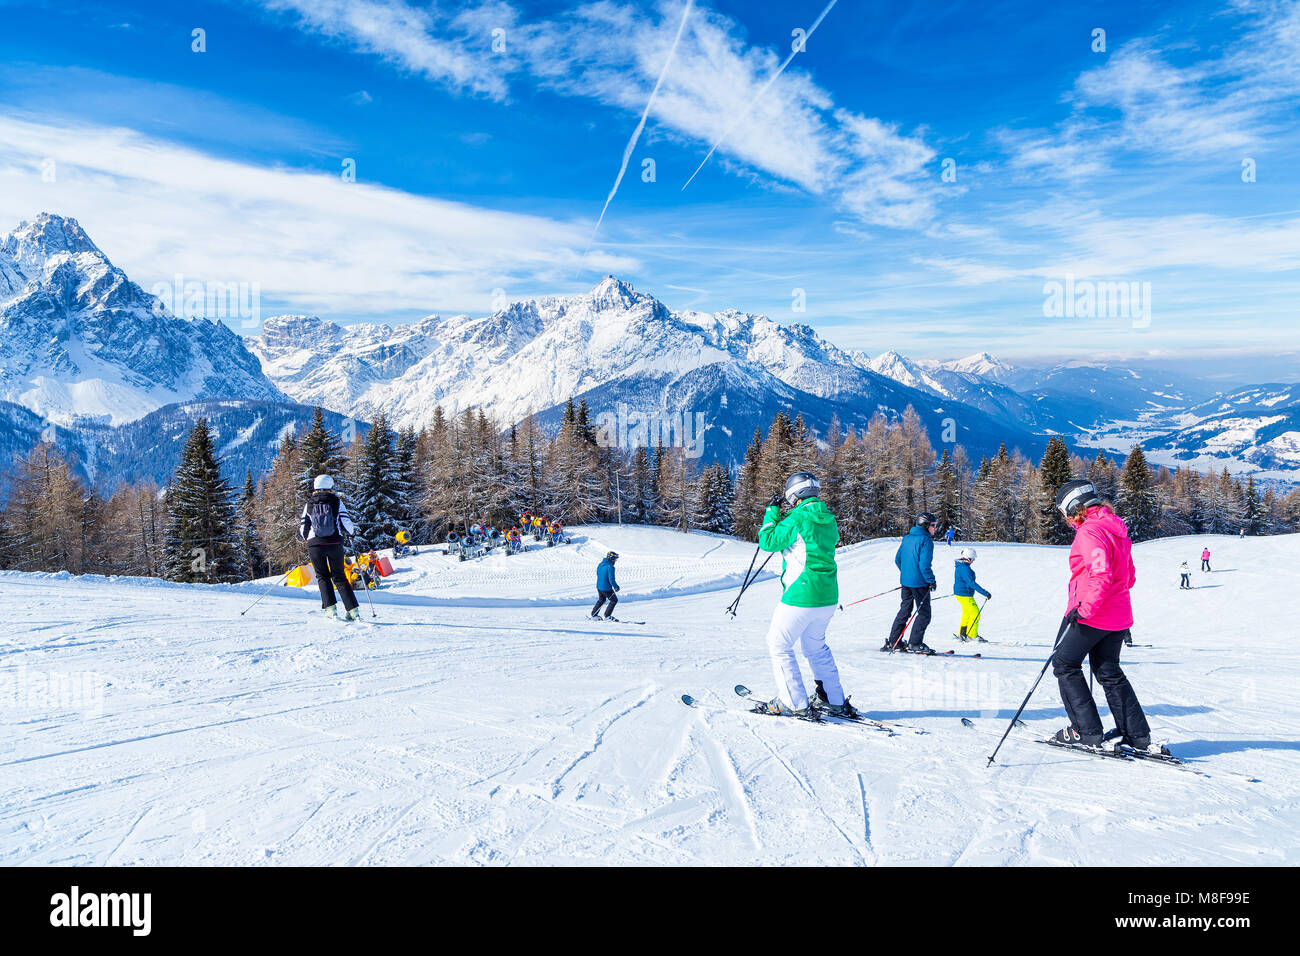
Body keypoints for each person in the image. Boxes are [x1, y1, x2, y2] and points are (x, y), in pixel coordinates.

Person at [1050, 479, 1153, 750]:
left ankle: (1086, 730)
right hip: (1118, 615)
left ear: (1075, 507)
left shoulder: (1089, 532)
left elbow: (1101, 573)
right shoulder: (1117, 529)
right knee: (1107, 670)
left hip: (1093, 614)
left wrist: (1085, 609)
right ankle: (1137, 735)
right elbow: (1128, 578)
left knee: (1064, 664)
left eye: (1066, 513)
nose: (1067, 519)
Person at [754, 472, 858, 719]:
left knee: (778, 643)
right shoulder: (829, 518)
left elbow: (767, 541)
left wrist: (771, 513)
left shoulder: (798, 518)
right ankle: (833, 699)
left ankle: (793, 701)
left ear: (794, 495)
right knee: (815, 647)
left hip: (802, 593)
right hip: (828, 596)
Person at [298, 474, 361, 621]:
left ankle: (330, 609)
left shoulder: (309, 504)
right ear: (330, 486)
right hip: (334, 543)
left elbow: (303, 529)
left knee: (322, 577)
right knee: (339, 577)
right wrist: (351, 534)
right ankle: (353, 611)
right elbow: (346, 523)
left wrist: (308, 539)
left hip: (315, 545)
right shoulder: (337, 502)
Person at [883, 512, 939, 654]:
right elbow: (924, 565)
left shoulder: (907, 538)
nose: (935, 528)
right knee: (924, 614)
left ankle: (893, 642)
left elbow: (898, 559)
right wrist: (931, 581)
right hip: (920, 583)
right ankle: (915, 643)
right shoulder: (926, 540)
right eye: (933, 525)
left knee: (905, 611)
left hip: (906, 583)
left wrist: (907, 573)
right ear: (925, 525)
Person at [953, 547, 991, 642]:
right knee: (975, 613)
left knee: (967, 613)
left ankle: (962, 634)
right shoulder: (965, 568)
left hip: (962, 593)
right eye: (973, 559)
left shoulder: (962, 566)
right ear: (968, 558)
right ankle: (972, 635)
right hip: (965, 595)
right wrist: (985, 593)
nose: (973, 561)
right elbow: (971, 583)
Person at [592, 551, 620, 620]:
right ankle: (607, 616)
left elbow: (598, 574)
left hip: (599, 587)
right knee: (614, 600)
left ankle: (594, 615)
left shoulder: (601, 564)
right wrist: (616, 587)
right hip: (606, 588)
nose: (616, 561)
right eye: (615, 559)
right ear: (612, 559)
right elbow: (611, 580)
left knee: (601, 600)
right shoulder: (610, 567)